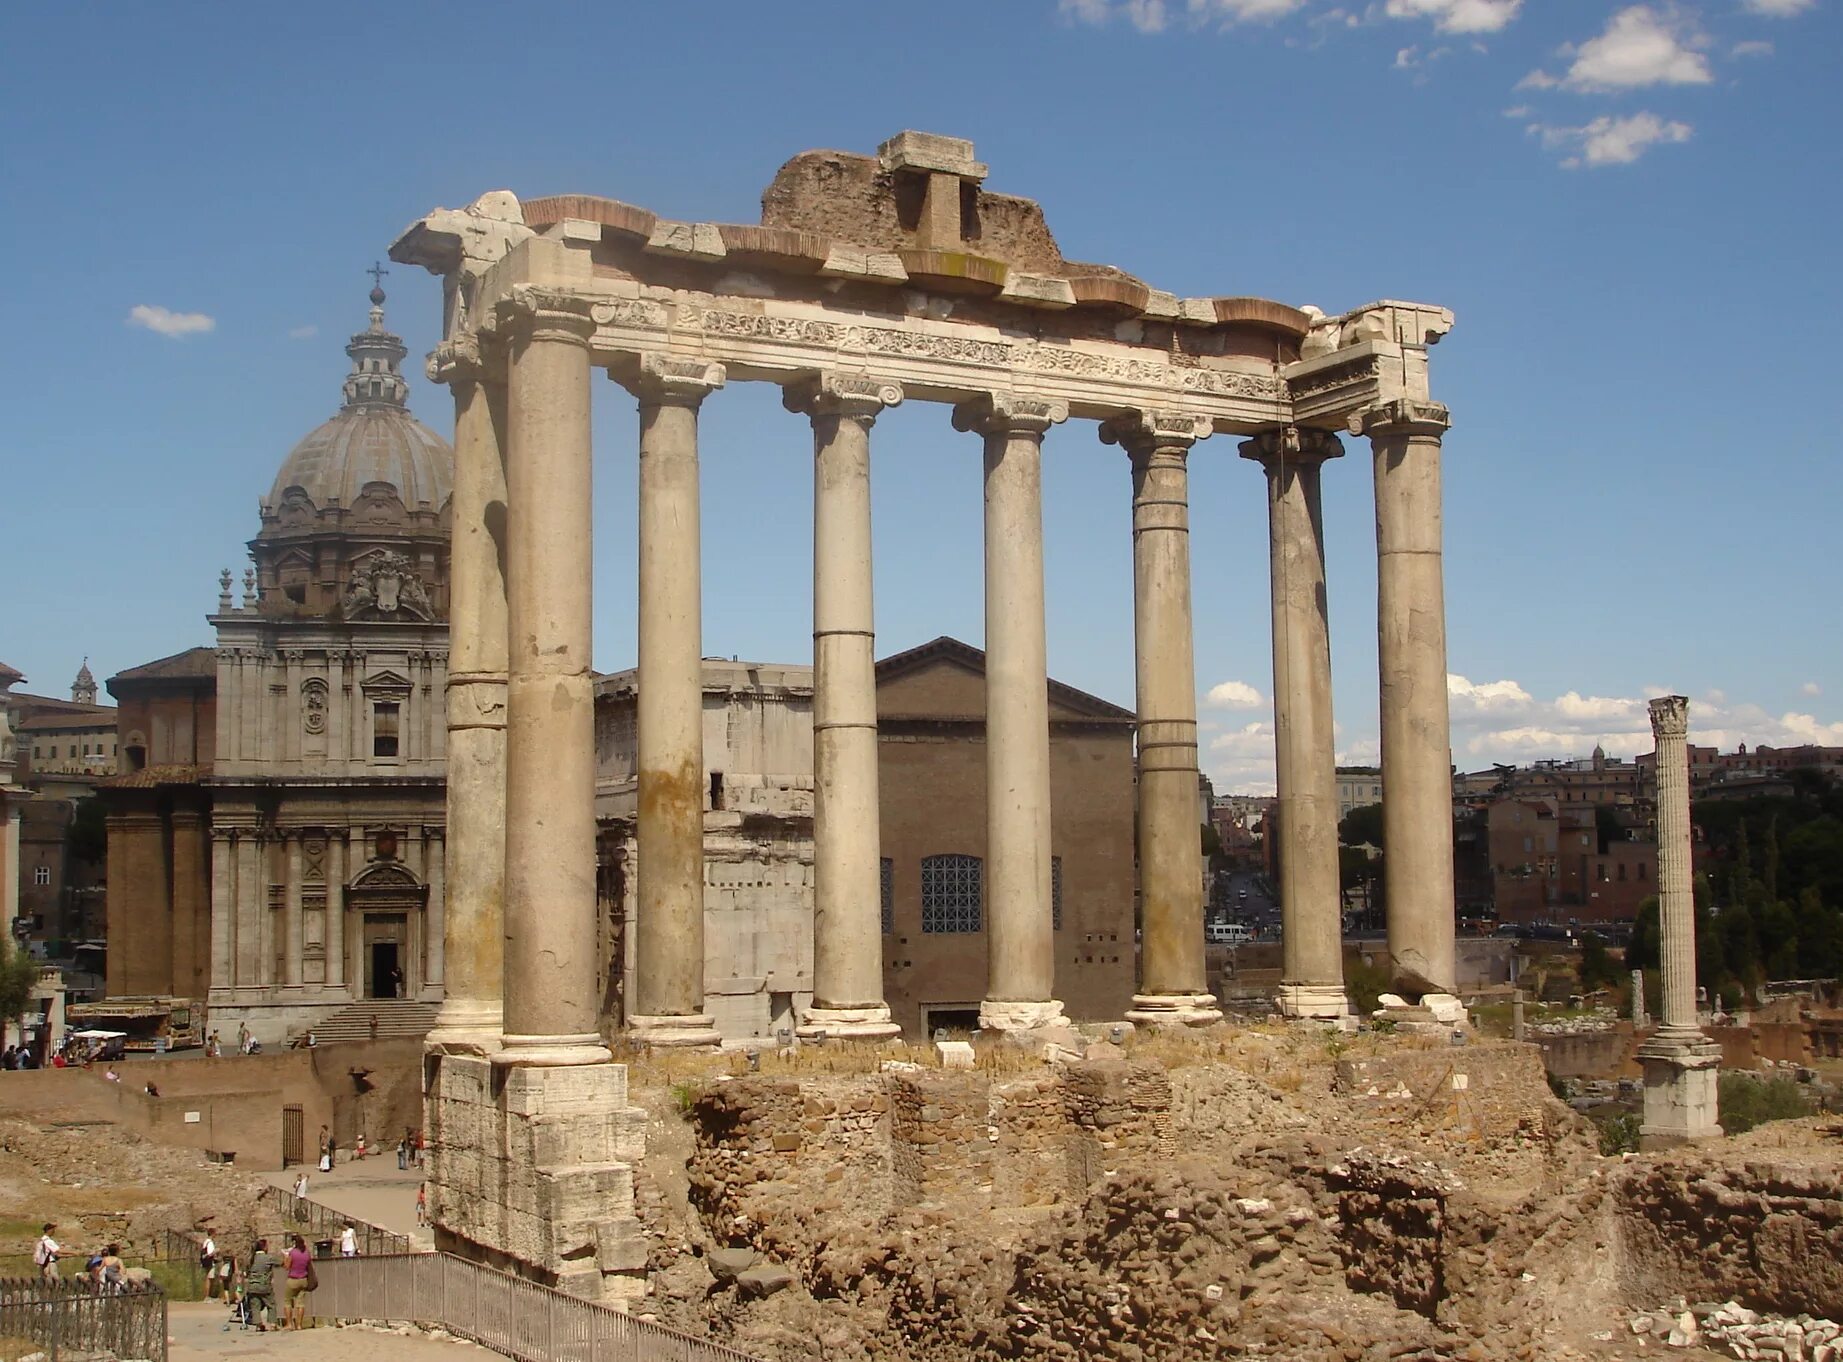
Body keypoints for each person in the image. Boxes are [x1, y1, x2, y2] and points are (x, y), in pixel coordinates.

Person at [244, 1239, 278, 1330]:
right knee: (271, 1304)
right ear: (264, 1247)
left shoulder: (250, 1258)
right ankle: (273, 1324)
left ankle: (258, 1324)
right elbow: (280, 1262)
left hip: (252, 1285)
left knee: (255, 1306)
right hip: (264, 1285)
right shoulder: (268, 1258)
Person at [283, 1234, 313, 1329]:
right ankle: (299, 1325)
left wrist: (285, 1256)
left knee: (287, 1301)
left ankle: (289, 1324)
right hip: (303, 1279)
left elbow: (287, 1266)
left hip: (293, 1279)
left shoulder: (292, 1253)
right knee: (300, 1303)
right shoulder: (307, 1253)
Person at [201, 1231, 219, 1297]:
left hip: (206, 1262)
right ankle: (207, 1296)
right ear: (212, 1234)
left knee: (208, 1278)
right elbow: (209, 1254)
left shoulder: (206, 1241)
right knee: (209, 1279)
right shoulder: (210, 1242)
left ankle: (207, 1296)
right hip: (210, 1262)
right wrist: (216, 1251)